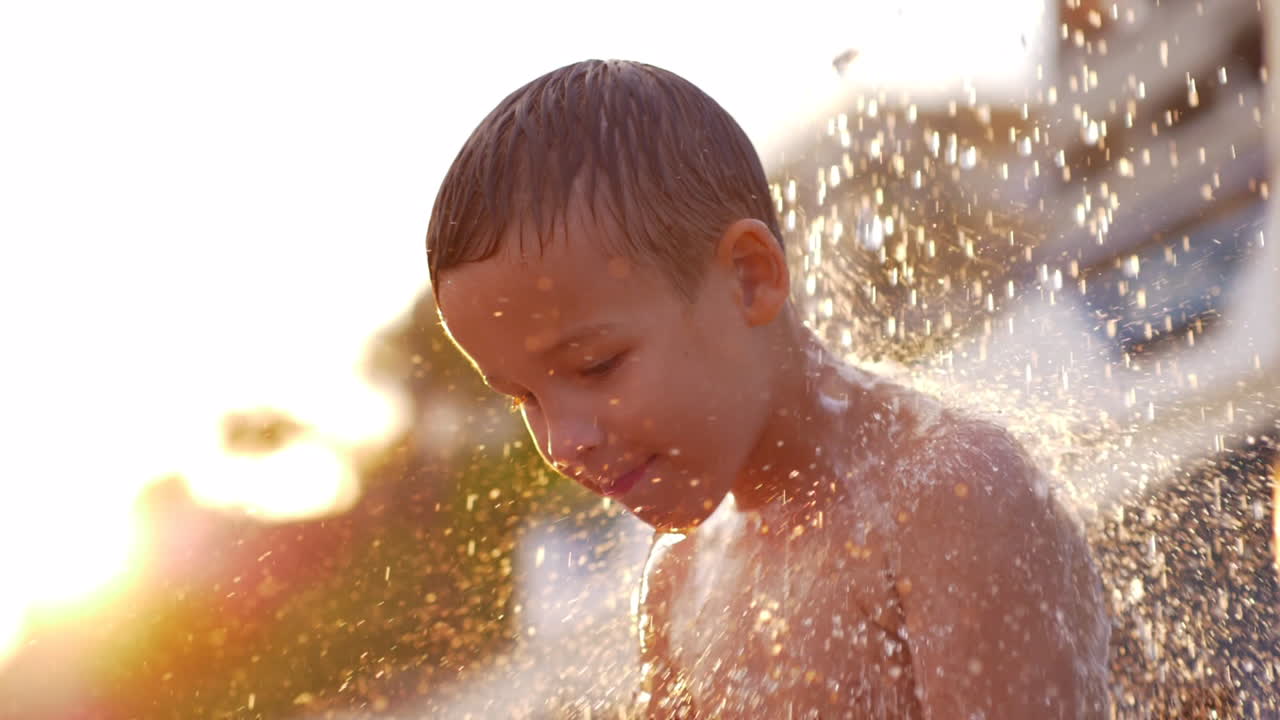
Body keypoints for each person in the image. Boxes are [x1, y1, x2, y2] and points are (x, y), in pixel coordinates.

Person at [425, 59, 1110, 718]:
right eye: (524, 399)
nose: (566, 441)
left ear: (749, 277)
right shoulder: (679, 580)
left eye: (596, 365)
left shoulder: (946, 497)